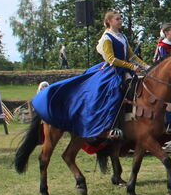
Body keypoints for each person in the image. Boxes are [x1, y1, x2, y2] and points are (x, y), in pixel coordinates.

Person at [31, 10, 149, 139]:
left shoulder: (122, 37)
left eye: (120, 18)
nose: (120, 21)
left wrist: (147, 66)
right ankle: (112, 126)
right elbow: (111, 59)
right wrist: (131, 66)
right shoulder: (107, 38)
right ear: (109, 22)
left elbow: (131, 56)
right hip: (112, 71)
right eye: (117, 19)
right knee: (115, 93)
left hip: (125, 71)